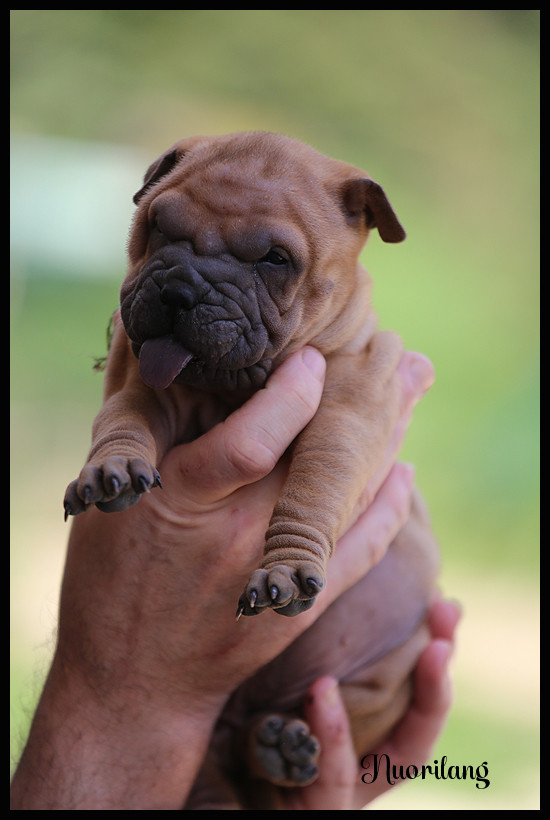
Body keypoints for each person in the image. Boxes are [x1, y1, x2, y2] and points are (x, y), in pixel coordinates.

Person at [10, 346, 460, 810]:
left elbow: (346, 428)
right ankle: (227, 773)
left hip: (348, 692)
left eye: (273, 265)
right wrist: (130, 695)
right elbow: (138, 408)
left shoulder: (346, 346)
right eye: (143, 264)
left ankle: (245, 764)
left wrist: (298, 540)